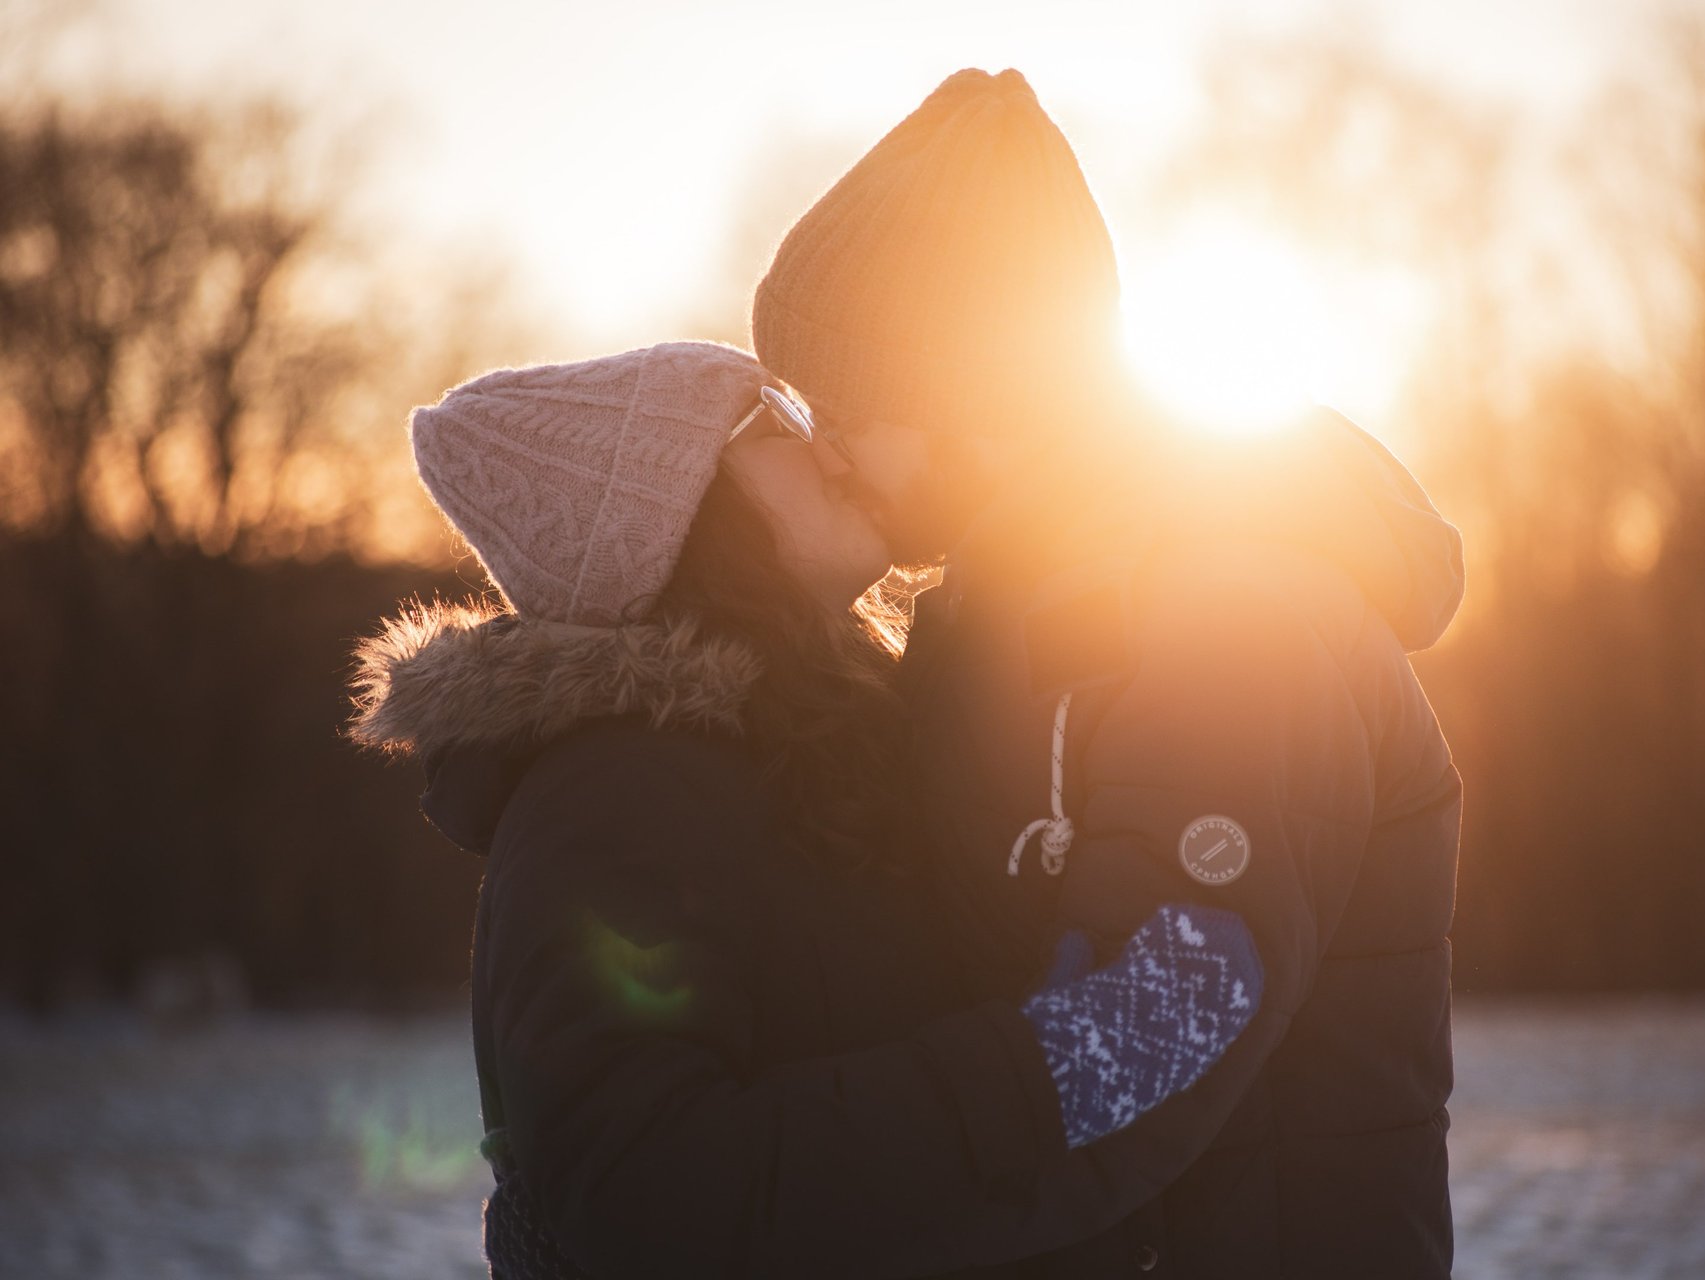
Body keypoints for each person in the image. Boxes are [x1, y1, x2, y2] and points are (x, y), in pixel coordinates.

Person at [750, 68, 1467, 1276]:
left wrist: (769, 1172)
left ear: (966, 390)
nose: (822, 447)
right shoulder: (995, 608)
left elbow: (1156, 1020)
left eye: (845, 402)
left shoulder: (1242, 613)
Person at [347, 340, 1269, 1278]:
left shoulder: (812, 747)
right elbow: (648, 1198)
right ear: (675, 510)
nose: (829, 442)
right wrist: (1047, 1073)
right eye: (774, 419)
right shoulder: (614, 797)